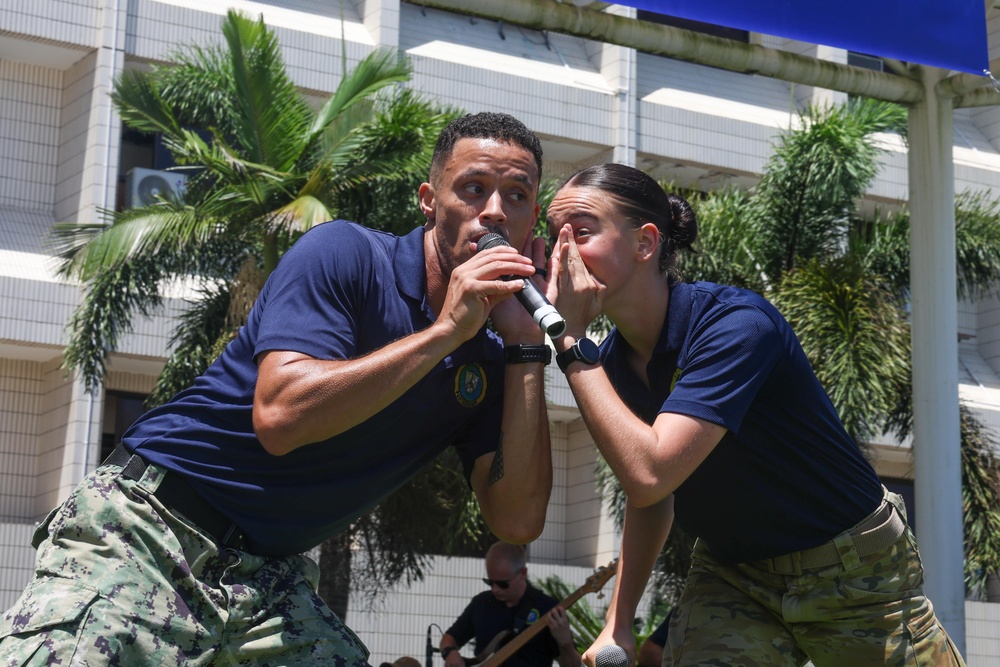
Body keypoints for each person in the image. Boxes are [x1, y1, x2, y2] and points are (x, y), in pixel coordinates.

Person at [0, 112, 556, 665]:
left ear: (533, 217)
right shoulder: (346, 254)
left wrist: (528, 348)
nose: (494, 212)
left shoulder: (495, 357)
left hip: (268, 578)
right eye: (474, 189)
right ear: (429, 200)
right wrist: (443, 333)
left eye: (516, 195)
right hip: (150, 528)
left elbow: (517, 520)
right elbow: (282, 417)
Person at [544, 163, 966, 666]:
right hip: (732, 572)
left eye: (581, 233)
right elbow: (653, 495)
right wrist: (619, 622)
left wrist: (568, 341)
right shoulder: (608, 362)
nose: (560, 253)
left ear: (645, 242)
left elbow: (648, 471)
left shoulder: (737, 326)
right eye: (553, 238)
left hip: (849, 564)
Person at [440, 542, 582, 667]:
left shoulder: (547, 608)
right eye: (490, 582)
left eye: (503, 584)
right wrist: (450, 653)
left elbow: (572, 665)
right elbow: (449, 638)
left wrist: (566, 643)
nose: (495, 589)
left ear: (523, 573)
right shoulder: (481, 603)